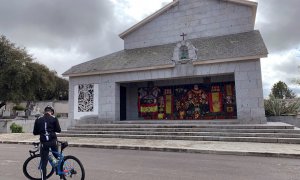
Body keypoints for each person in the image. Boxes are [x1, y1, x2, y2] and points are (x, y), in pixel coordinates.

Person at [33, 105, 61, 180]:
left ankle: (44, 178)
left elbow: (35, 132)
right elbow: (58, 130)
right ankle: (60, 172)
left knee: (44, 164)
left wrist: (42, 131)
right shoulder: (54, 118)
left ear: (44, 111)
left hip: (44, 143)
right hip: (53, 142)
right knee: (57, 157)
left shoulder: (38, 119)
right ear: (51, 112)